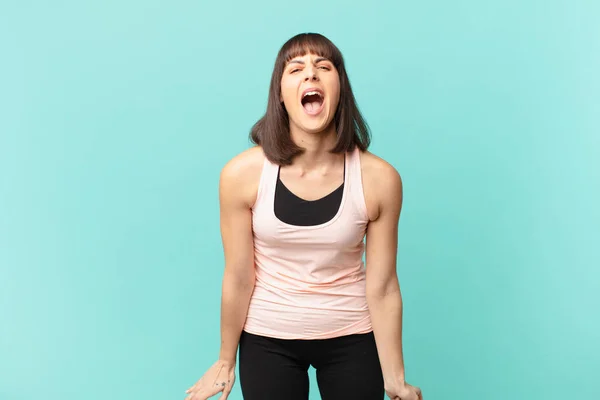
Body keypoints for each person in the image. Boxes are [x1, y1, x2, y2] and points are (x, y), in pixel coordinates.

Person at [184, 32, 423, 400]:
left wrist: (395, 376)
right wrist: (225, 360)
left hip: (352, 335)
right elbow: (237, 277)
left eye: (323, 67)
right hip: (268, 338)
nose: (311, 74)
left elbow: (384, 285)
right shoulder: (241, 175)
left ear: (339, 87)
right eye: (296, 68)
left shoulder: (379, 179)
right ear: (281, 93)